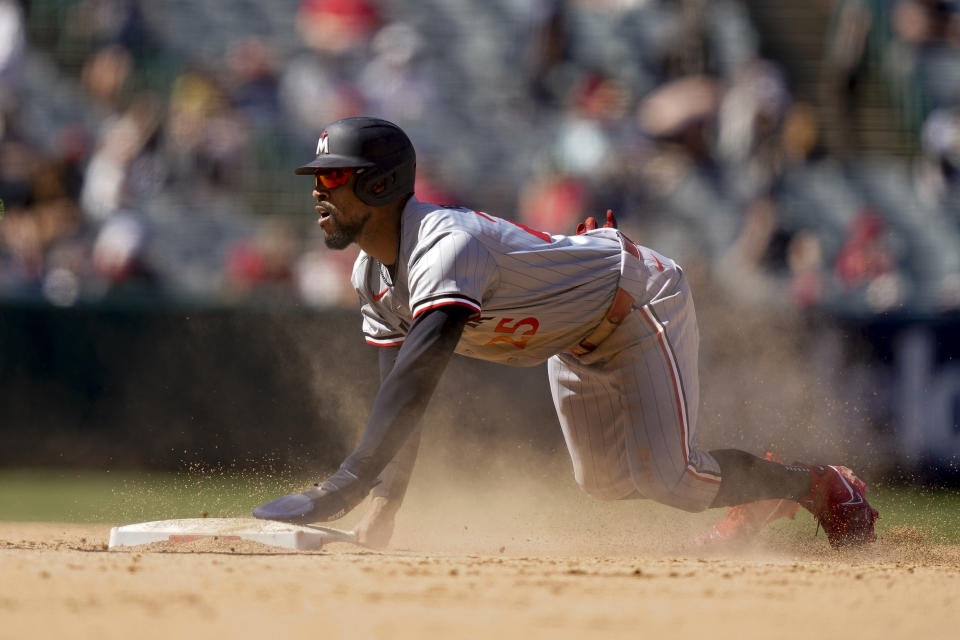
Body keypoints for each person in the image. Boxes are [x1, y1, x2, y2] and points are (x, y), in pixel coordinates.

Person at [253, 116, 878, 549]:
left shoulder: (446, 245)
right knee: (601, 483)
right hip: (572, 335)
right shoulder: (372, 277)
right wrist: (381, 511)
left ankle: (818, 485)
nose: (317, 192)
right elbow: (401, 398)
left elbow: (419, 374)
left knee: (673, 478)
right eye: (316, 179)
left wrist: (349, 483)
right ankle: (760, 493)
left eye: (333, 177)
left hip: (636, 302)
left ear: (380, 183)